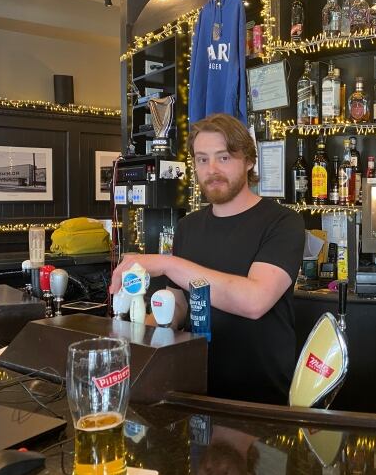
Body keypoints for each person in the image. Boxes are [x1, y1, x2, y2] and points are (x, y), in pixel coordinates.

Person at [111, 113, 305, 405]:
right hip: (192, 387)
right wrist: (136, 330)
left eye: (223, 158)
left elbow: (255, 301)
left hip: (259, 399)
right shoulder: (188, 226)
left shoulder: (283, 223)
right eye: (202, 160)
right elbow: (180, 303)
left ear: (249, 161)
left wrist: (166, 263)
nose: (211, 169)